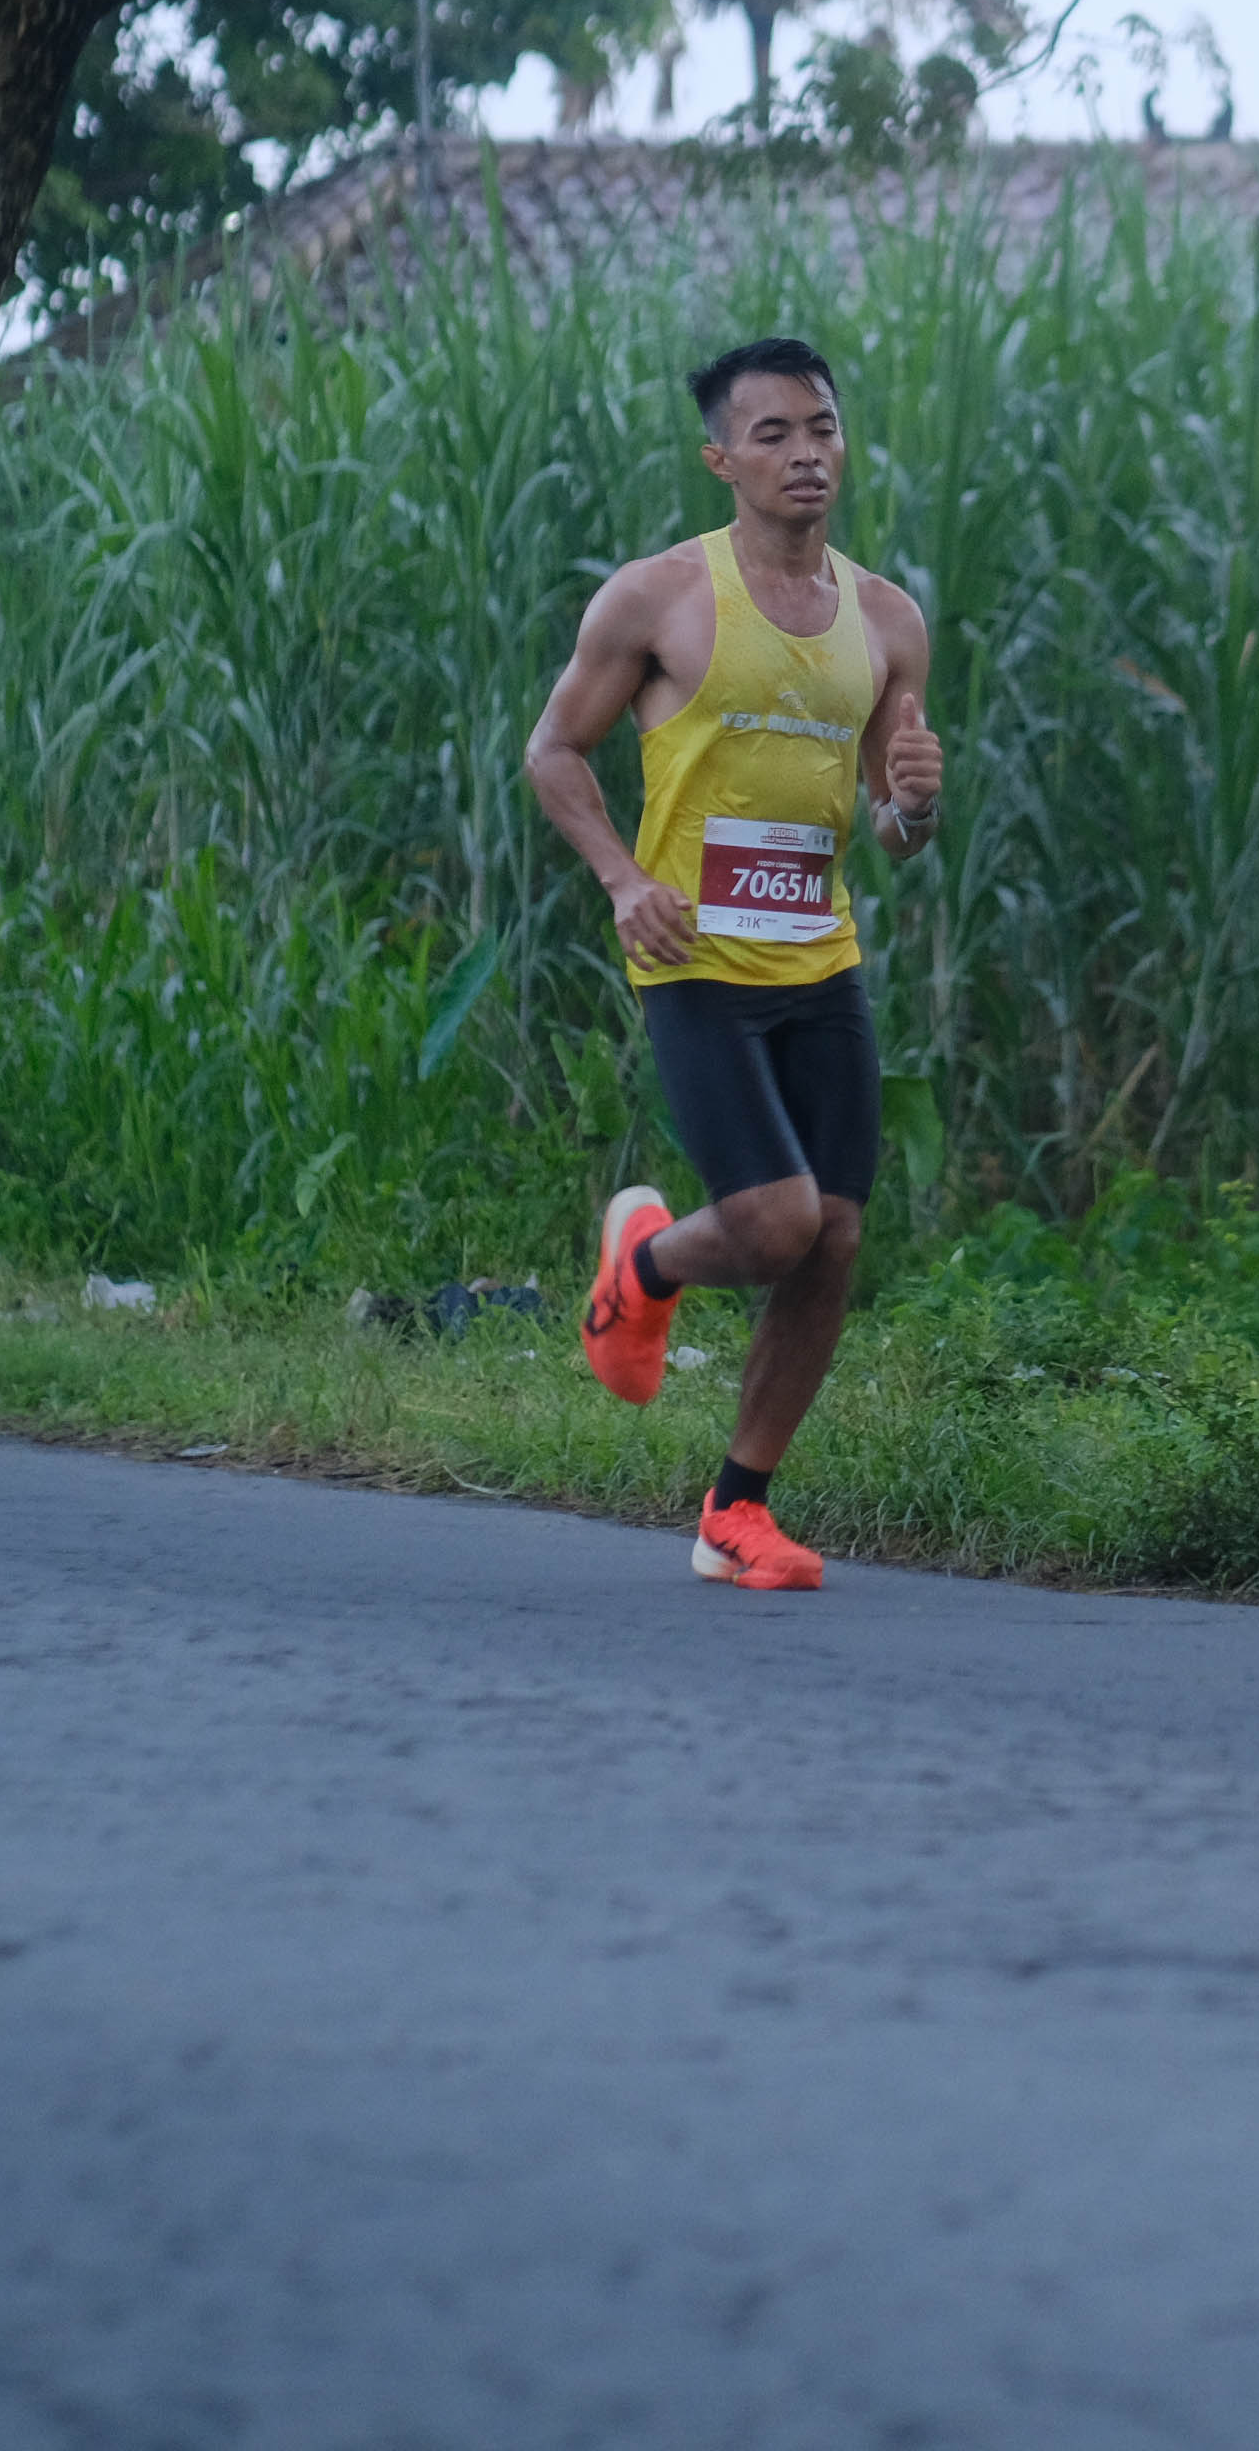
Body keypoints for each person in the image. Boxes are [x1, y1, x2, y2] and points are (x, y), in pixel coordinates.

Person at [521, 336, 943, 1591]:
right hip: (695, 957)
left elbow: (892, 829)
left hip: (821, 960)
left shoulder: (887, 619)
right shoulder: (657, 599)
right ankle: (643, 1263)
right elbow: (553, 752)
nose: (807, 453)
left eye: (823, 428)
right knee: (774, 1222)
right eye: (773, 434)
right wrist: (624, 879)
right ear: (722, 461)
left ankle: (736, 1511)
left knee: (835, 1239)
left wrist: (916, 804)